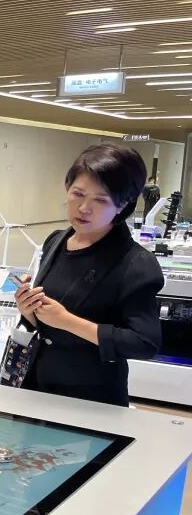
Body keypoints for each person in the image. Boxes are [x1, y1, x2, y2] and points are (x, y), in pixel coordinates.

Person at [13, 143, 163, 406]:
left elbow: (144, 342)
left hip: (91, 398)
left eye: (101, 200)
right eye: (78, 194)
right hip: (37, 386)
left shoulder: (136, 263)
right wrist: (29, 311)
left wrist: (67, 321)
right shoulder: (56, 241)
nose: (84, 208)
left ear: (123, 204)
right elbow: (47, 320)